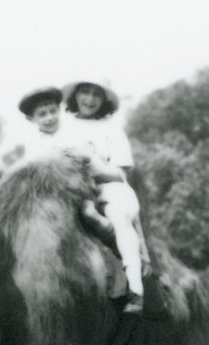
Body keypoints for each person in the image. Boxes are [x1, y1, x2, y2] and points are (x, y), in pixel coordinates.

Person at [61, 79, 150, 313]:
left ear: (104, 100)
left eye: (96, 95)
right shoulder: (62, 125)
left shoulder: (111, 129)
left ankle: (135, 289)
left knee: (119, 218)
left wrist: (91, 160)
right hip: (68, 188)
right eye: (85, 93)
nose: (89, 100)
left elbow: (120, 174)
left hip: (107, 188)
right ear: (75, 95)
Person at [17, 86, 117, 244]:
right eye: (42, 114)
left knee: (88, 212)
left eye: (52, 111)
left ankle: (113, 241)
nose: (49, 118)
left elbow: (88, 154)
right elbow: (32, 170)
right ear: (31, 119)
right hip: (52, 192)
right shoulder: (33, 146)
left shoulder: (71, 134)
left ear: (59, 110)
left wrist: (83, 154)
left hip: (79, 188)